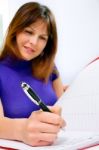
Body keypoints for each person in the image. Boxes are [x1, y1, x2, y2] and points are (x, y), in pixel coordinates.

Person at [0, 2, 67, 147]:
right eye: (29, 32)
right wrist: (22, 130)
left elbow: (64, 106)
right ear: (15, 30)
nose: (34, 42)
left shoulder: (51, 68)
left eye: (42, 38)